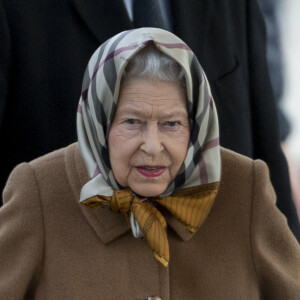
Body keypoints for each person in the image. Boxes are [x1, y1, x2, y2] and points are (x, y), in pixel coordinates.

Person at [0, 28, 299, 300]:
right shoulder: (39, 191)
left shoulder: (244, 187)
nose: (153, 146)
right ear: (98, 122)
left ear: (195, 125)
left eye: (171, 123)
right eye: (132, 122)